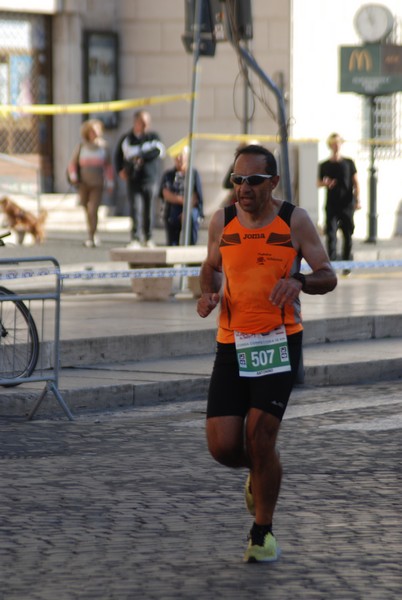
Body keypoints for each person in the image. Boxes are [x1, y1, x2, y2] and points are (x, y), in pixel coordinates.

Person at [197, 144, 337, 563]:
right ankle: (262, 471)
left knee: (259, 438)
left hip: (278, 340)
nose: (243, 188)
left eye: (253, 181)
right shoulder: (221, 220)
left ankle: (262, 532)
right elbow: (210, 267)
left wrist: (299, 281)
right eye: (237, 180)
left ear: (272, 182)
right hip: (231, 342)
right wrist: (206, 293)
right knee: (223, 447)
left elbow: (327, 275)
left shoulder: (294, 220)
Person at [114, 110, 165, 248]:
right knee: (136, 208)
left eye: (147, 122)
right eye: (143, 122)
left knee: (149, 209)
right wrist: (120, 170)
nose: (145, 125)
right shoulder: (127, 139)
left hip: (150, 178)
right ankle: (135, 238)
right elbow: (118, 156)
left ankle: (148, 237)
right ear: (136, 122)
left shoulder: (153, 137)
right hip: (134, 179)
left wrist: (140, 156)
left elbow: (158, 151)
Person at [317, 133, 361, 273]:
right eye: (333, 143)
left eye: (338, 143)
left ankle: (347, 263)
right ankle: (332, 263)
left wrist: (358, 199)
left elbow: (356, 182)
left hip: (347, 204)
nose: (336, 145)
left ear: (341, 144)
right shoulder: (324, 165)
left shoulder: (348, 162)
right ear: (330, 145)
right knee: (331, 234)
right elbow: (318, 182)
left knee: (347, 234)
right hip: (331, 204)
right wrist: (325, 183)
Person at [67, 119, 114, 247]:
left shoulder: (104, 147)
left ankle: (94, 234)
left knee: (93, 208)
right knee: (86, 208)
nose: (95, 133)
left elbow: (108, 166)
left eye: (97, 130)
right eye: (92, 131)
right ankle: (90, 233)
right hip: (83, 183)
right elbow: (72, 163)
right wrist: (73, 176)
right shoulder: (81, 146)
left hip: (97, 183)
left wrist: (110, 182)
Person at [159, 148, 204, 246]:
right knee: (172, 217)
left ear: (187, 156)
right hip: (173, 210)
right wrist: (183, 201)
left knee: (191, 216)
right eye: (176, 156)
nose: (179, 158)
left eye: (181, 155)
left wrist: (186, 210)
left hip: (190, 209)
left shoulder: (193, 174)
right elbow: (166, 194)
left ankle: (191, 250)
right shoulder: (169, 175)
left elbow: (196, 198)